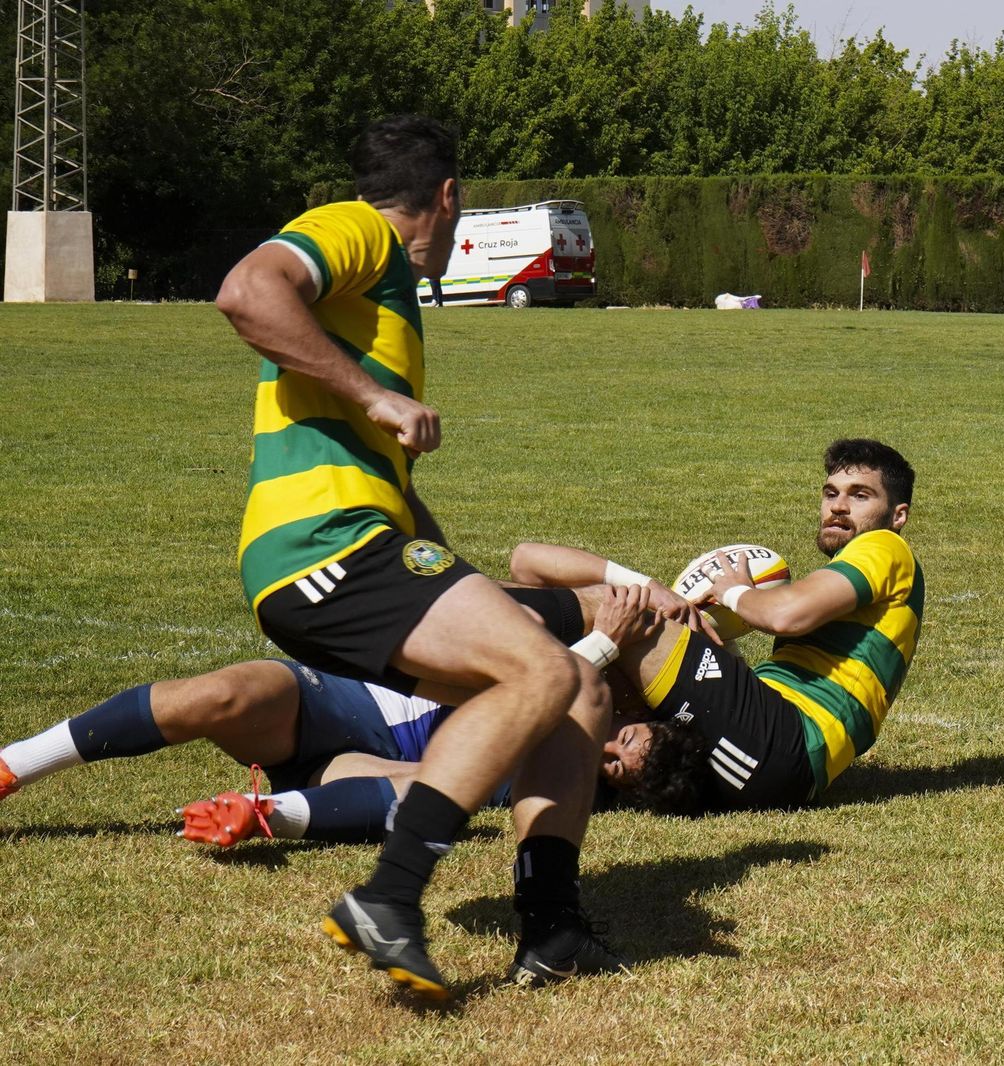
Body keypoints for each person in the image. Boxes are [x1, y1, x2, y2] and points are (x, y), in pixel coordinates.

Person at [215, 115, 692, 999]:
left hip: (367, 546)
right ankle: (390, 895)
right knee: (542, 674)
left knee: (581, 683)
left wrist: (434, 546)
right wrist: (376, 396)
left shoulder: (381, 287)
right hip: (323, 548)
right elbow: (247, 292)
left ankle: (552, 927)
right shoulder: (358, 227)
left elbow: (364, 452)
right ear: (445, 197)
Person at [0, 587, 642, 846]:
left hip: (355, 768)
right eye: (625, 744)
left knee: (430, 787)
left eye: (615, 772)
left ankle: (260, 814)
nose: (607, 757)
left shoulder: (550, 774)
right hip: (344, 700)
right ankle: (14, 764)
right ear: (636, 715)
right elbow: (534, 569)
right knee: (224, 694)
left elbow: (434, 770)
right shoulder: (594, 680)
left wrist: (602, 645)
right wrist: (640, 593)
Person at [511, 439, 924, 814]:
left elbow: (786, 615)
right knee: (605, 666)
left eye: (860, 495)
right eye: (831, 493)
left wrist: (733, 593)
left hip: (786, 740)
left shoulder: (886, 546)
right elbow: (526, 560)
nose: (838, 506)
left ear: (898, 514)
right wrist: (674, 605)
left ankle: (463, 612)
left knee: (619, 610)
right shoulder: (862, 585)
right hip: (760, 765)